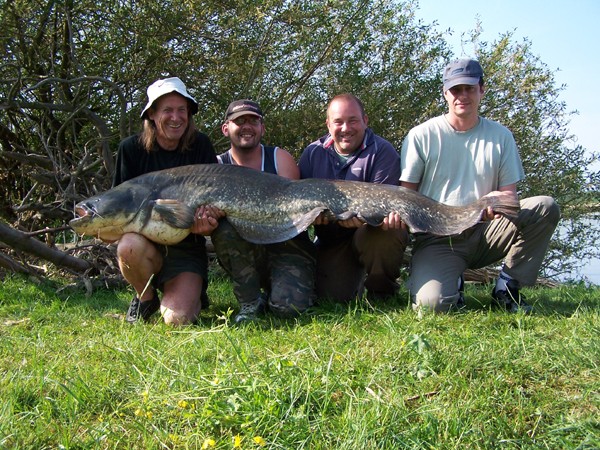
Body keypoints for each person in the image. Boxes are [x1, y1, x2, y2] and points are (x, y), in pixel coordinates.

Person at [400, 58, 560, 313]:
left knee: (545, 206)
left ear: (481, 90)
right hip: (438, 238)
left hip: (486, 231)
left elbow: (510, 198)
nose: (462, 96)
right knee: (430, 307)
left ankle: (507, 286)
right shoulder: (421, 135)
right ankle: (454, 280)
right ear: (445, 93)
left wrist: (495, 205)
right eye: (455, 90)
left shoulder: (501, 136)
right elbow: (406, 197)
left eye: (469, 88)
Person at [113, 77, 220, 325]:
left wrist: (205, 223)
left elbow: (213, 201)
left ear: (189, 114)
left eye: (182, 110)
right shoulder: (130, 149)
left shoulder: (200, 145)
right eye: (168, 110)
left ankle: (189, 292)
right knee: (127, 245)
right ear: (151, 114)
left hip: (187, 247)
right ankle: (145, 297)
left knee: (177, 320)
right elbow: (120, 210)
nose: (176, 117)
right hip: (145, 244)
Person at [210, 100, 316, 323]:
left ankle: (283, 287)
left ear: (262, 128)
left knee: (287, 310)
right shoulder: (216, 167)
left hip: (287, 249)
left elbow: (295, 213)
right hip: (247, 253)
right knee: (224, 228)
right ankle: (250, 302)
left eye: (253, 121)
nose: (247, 126)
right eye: (240, 121)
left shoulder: (280, 159)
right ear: (225, 128)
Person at [298, 93, 408, 302]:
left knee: (387, 234)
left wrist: (358, 217)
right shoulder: (312, 154)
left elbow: (382, 207)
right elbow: (301, 203)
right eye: (338, 122)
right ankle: (349, 284)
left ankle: (382, 293)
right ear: (328, 125)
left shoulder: (382, 152)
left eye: (353, 120)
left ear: (365, 121)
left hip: (371, 232)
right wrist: (313, 216)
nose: (346, 128)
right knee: (330, 299)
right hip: (332, 240)